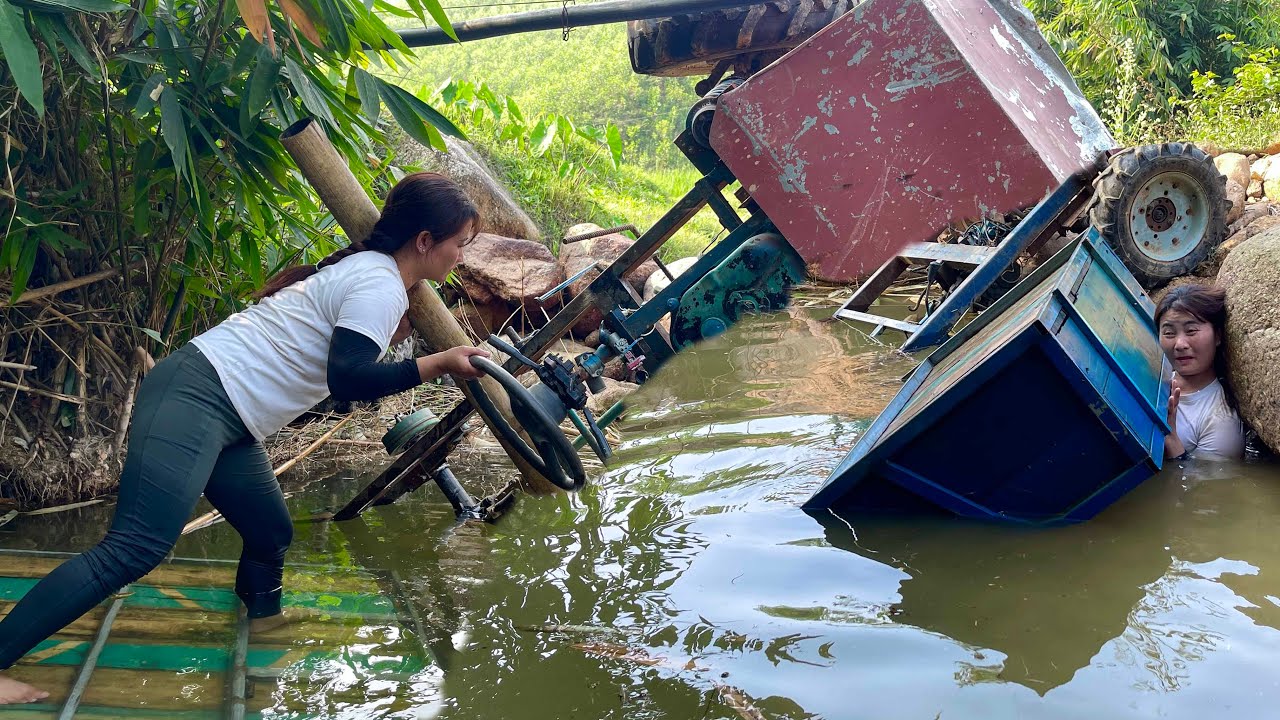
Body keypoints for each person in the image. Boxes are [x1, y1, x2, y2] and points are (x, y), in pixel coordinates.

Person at [0, 172, 491, 704]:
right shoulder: (378, 285)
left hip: (226, 415)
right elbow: (347, 379)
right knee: (133, 550)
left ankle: (263, 626)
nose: (461, 259)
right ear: (425, 242)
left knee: (269, 531)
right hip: (198, 397)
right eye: (459, 245)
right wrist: (439, 363)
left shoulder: (371, 274)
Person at [1157, 283, 1245, 462]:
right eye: (1169, 333)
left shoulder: (1222, 421)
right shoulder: (1153, 382)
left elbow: (1203, 487)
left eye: (1191, 331)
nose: (1180, 344)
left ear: (1218, 336)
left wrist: (1170, 439)